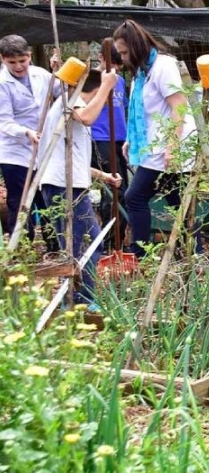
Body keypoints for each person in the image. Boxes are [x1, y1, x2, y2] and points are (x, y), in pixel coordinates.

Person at [38, 68, 123, 305]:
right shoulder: (71, 103)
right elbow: (87, 116)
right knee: (87, 245)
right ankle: (81, 301)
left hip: (66, 185)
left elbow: (70, 159)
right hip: (63, 188)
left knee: (81, 245)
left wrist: (103, 175)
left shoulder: (69, 107)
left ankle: (78, 298)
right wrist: (107, 85)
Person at [113, 20, 197, 257]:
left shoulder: (164, 66)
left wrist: (172, 146)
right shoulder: (142, 71)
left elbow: (179, 106)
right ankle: (194, 255)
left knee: (135, 197)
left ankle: (138, 254)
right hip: (155, 146)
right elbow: (143, 112)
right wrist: (132, 139)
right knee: (177, 201)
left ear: (137, 45)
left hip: (169, 147)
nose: (123, 58)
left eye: (125, 52)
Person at [0, 34, 59, 248]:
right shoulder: (2, 84)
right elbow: (4, 122)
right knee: (20, 202)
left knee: (48, 199)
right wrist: (26, 132)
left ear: (29, 56)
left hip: (43, 148)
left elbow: (61, 92)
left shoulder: (41, 74)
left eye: (22, 61)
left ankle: (54, 247)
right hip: (15, 152)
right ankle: (23, 249)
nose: (18, 66)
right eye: (12, 62)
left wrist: (58, 73)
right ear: (2, 59)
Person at [90, 39, 129, 250]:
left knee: (123, 189)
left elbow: (123, 109)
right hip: (100, 139)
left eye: (119, 64)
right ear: (101, 58)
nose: (115, 69)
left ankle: (118, 238)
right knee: (113, 190)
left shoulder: (120, 81)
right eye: (112, 63)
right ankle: (108, 241)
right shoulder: (92, 79)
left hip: (119, 140)